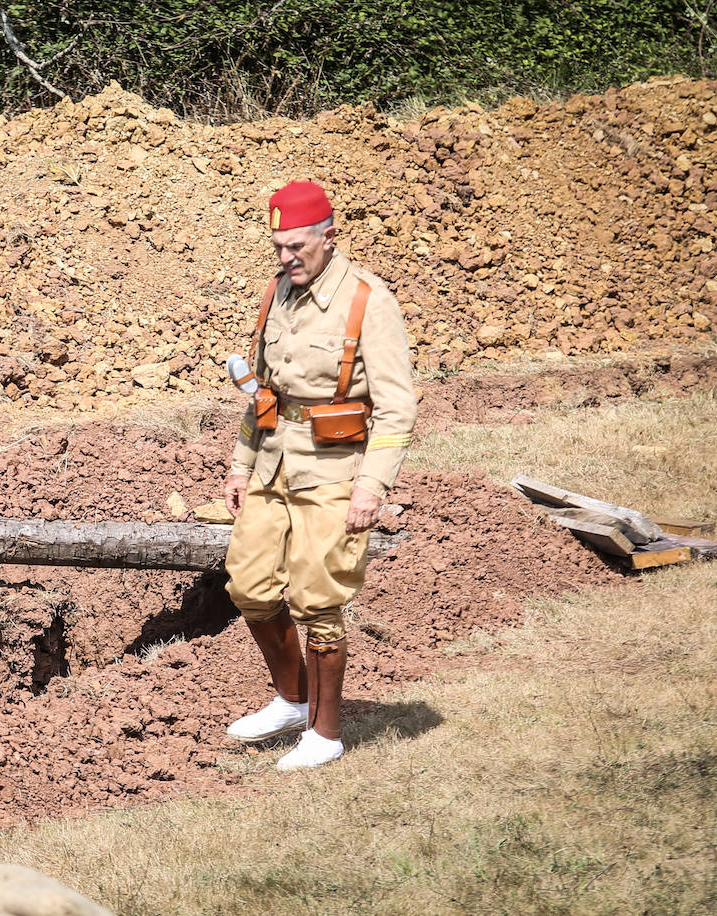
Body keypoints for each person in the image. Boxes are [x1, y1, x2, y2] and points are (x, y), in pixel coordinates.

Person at [222, 180, 417, 769]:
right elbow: (262, 391)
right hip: (274, 460)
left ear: (329, 238)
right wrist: (241, 464)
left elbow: (397, 405)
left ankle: (325, 734)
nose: (286, 258)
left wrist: (372, 487)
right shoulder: (276, 293)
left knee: (318, 597)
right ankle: (291, 698)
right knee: (248, 585)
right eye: (278, 246)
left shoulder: (367, 301)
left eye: (297, 246)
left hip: (335, 469)